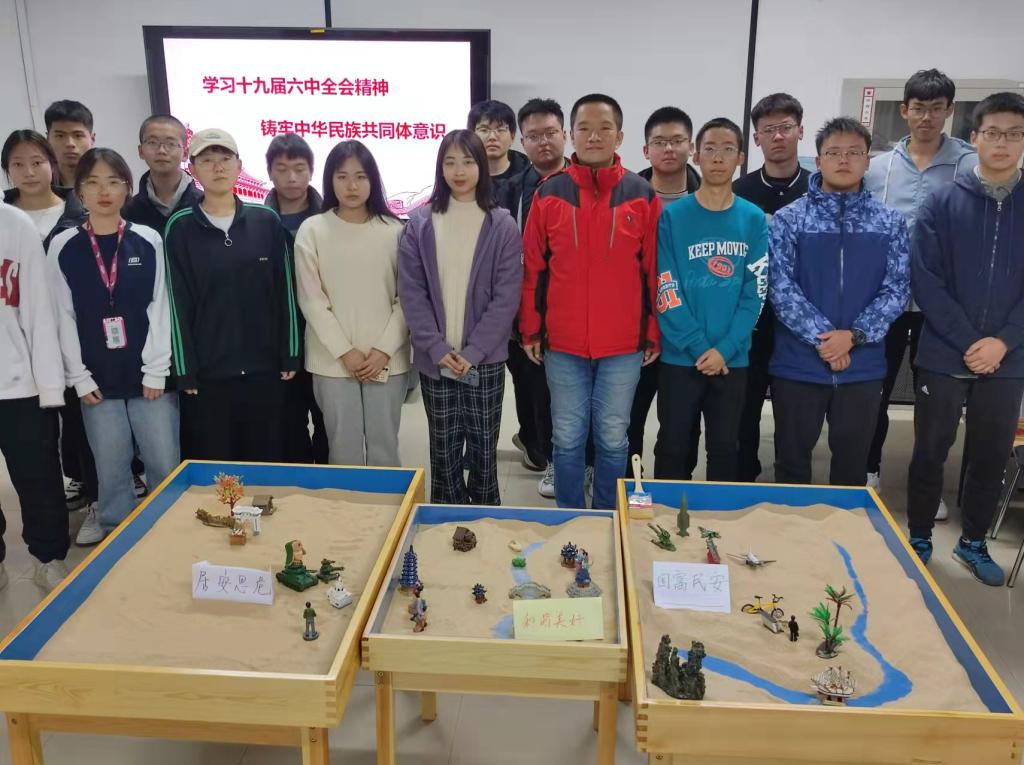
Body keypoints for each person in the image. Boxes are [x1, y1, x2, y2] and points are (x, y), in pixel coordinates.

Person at [519, 93, 661, 509]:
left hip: (623, 344)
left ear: (619, 136)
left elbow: (655, 271)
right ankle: (570, 517)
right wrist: (531, 329)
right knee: (566, 435)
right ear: (571, 135)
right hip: (563, 342)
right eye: (584, 128)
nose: (594, 136)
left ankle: (606, 515)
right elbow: (532, 268)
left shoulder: (642, 194)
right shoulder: (549, 194)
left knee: (613, 436)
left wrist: (653, 332)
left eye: (604, 128)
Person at [906, 92, 1024, 586]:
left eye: (1014, 134)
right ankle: (918, 538)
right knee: (930, 449)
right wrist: (969, 340)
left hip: (1009, 357)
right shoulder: (942, 200)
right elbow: (924, 277)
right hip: (943, 350)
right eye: (993, 132)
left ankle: (973, 542)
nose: (1002, 142)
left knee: (991, 454)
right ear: (974, 138)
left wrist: (1002, 342)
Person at [769, 117, 910, 486]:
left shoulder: (889, 222)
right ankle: (791, 524)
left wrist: (853, 336)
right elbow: (780, 287)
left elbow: (897, 288)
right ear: (818, 161)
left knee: (851, 468)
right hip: (798, 364)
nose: (844, 160)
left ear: (868, 161)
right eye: (834, 153)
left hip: (862, 366)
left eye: (854, 153)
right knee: (791, 465)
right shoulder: (789, 219)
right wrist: (825, 339)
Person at [47, 149, 178, 544]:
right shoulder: (63, 245)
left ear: (126, 189)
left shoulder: (148, 239)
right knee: (111, 466)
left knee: (163, 462)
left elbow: (161, 307)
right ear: (79, 192)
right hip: (96, 380)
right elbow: (62, 316)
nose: (103, 191)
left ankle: (168, 532)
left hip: (148, 377)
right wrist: (79, 378)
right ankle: (117, 536)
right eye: (92, 183)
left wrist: (156, 369)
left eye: (113, 182)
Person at [864, 70, 978, 519]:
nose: (926, 117)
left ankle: (927, 487)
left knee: (937, 401)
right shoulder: (879, 167)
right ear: (904, 110)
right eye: (918, 108)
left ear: (949, 110)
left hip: (943, 304)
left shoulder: (968, 165)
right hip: (885, 302)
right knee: (875, 389)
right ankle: (869, 469)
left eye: (936, 108)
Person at [399, 130, 522, 504]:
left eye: (468, 161)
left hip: (484, 359)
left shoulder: (501, 224)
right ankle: (445, 518)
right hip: (436, 360)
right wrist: (436, 348)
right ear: (440, 169)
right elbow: (412, 292)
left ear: (481, 166)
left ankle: (485, 518)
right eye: (450, 162)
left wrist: (474, 351)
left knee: (484, 448)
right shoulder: (420, 223)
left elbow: (506, 296)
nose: (459, 171)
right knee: (443, 448)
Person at [164, 128, 301, 462]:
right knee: (218, 467)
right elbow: (177, 304)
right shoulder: (180, 227)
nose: (218, 167)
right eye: (207, 160)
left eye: (225, 159)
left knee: (268, 459)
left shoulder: (265, 221)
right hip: (209, 376)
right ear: (192, 169)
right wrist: (184, 368)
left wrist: (290, 353)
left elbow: (285, 292)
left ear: (239, 165)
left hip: (265, 370)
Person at [653, 118, 768, 480]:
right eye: (710, 149)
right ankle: (668, 513)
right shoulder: (672, 217)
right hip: (680, 356)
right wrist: (699, 346)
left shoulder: (753, 219)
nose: (718, 157)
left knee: (726, 447)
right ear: (696, 155)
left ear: (741, 158)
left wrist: (725, 348)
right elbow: (665, 288)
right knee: (673, 446)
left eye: (728, 149)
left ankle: (719, 515)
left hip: (732, 358)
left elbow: (755, 292)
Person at [295, 140, 408, 466]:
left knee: (385, 446)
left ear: (373, 179)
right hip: (332, 361)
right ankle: (346, 503)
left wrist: (384, 350)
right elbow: (312, 300)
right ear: (329, 180)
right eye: (342, 177)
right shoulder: (313, 230)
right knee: (342, 448)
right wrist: (345, 351)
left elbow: (408, 299)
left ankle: (388, 502)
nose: (352, 186)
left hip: (387, 359)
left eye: (360, 176)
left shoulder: (394, 231)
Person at [733, 93, 811, 482]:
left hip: (801, 324)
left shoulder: (818, 189)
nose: (778, 136)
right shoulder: (738, 191)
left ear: (801, 131)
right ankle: (742, 477)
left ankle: (791, 485)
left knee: (794, 412)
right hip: (752, 320)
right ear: (757, 138)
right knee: (743, 408)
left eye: (785, 127)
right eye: (768, 130)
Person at [0, 198, 70, 591]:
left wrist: (49, 388)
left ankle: (48, 557)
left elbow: (39, 312)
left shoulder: (14, 225)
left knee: (38, 479)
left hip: (19, 387)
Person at [633, 106, 703, 479]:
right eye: (660, 142)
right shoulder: (628, 195)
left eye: (677, 141)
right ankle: (630, 492)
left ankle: (672, 492)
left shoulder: (709, 198)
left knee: (680, 428)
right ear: (646, 150)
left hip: (688, 333)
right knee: (628, 422)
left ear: (691, 147)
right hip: (636, 332)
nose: (669, 149)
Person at [511, 98, 571, 498]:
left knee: (571, 394)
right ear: (523, 142)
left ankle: (574, 460)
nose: (543, 142)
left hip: (571, 307)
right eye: (533, 136)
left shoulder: (581, 183)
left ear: (564, 134)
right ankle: (547, 457)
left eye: (550, 133)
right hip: (526, 308)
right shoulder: (513, 189)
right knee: (534, 390)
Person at [264, 133, 328, 464]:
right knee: (288, 426)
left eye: (300, 169)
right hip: (276, 341)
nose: (291, 177)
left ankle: (329, 485)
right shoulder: (256, 222)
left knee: (328, 422)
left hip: (325, 336)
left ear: (311, 171)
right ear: (269, 172)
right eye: (282, 169)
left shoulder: (331, 217)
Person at [2, 130, 88, 247]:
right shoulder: (4, 214)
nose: (29, 173)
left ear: (52, 165)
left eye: (36, 163)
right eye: (18, 164)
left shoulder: (81, 213)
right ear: (8, 169)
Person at [123, 114, 202, 235]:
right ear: (141, 151)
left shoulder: (204, 206)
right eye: (152, 142)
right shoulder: (128, 212)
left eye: (170, 143)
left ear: (185, 153)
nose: (161, 150)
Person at [468, 100, 530, 218]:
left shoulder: (529, 179)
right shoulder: (464, 179)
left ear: (512, 136)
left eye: (500, 130)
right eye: (484, 130)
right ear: (472, 135)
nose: (492, 137)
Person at [44, 100, 95, 189]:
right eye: (60, 136)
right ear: (48, 139)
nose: (70, 143)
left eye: (78, 136)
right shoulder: (38, 184)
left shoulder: (109, 179)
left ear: (92, 139)